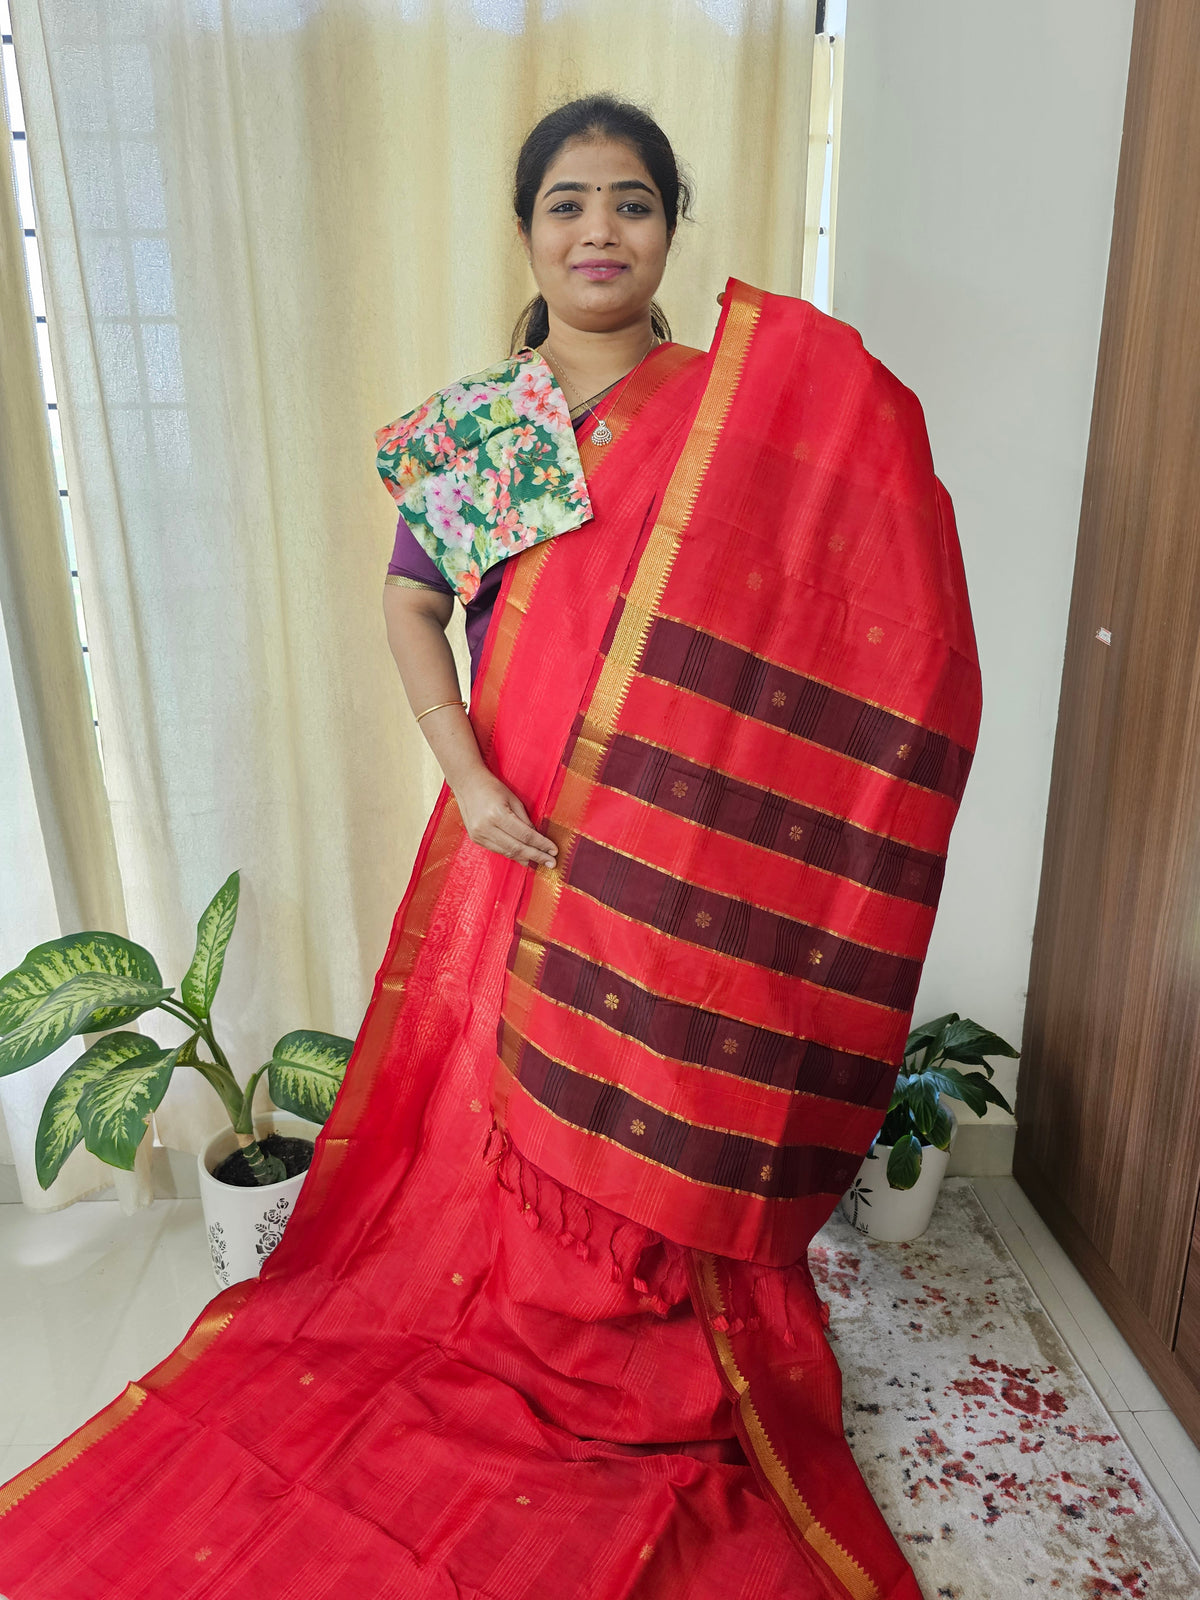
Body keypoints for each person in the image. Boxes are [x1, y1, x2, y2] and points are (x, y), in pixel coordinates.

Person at [0, 96, 980, 1600]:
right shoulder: (486, 425)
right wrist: (462, 776)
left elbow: (842, 594)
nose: (601, 231)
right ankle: (521, 1301)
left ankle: (641, 1309)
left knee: (652, 1069)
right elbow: (412, 609)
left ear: (671, 227)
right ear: (529, 230)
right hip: (525, 815)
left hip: (683, 828)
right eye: (569, 203)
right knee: (494, 1110)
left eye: (634, 202)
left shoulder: (729, 413)